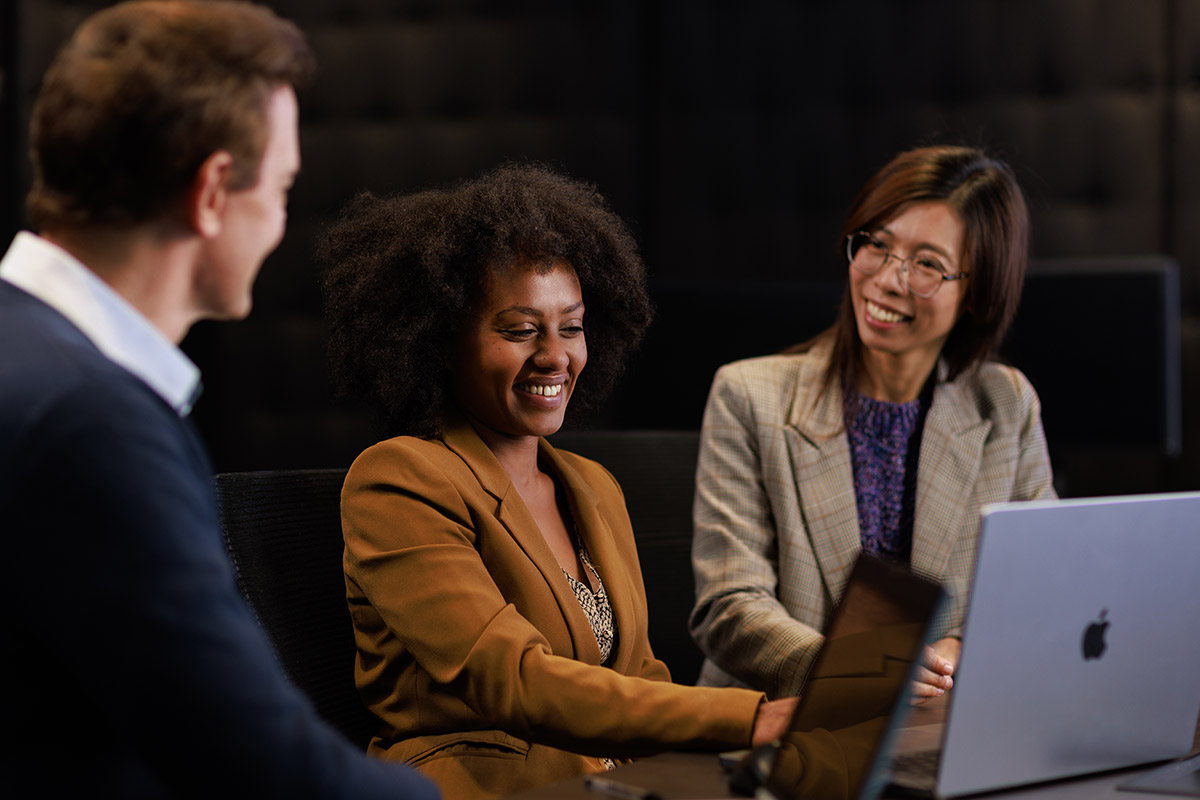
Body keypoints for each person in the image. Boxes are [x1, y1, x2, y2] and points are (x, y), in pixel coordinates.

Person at [0, 3, 438, 797]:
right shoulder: (91, 421)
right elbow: (255, 762)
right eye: (282, 187)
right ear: (210, 195)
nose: (280, 220)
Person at [320, 164, 799, 800]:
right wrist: (747, 717)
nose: (555, 355)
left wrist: (749, 755)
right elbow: (512, 677)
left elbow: (642, 677)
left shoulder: (593, 486)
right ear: (439, 342)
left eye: (570, 327)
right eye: (519, 330)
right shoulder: (399, 479)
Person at [689, 145, 1056, 702]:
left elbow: (1043, 588)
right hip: (785, 725)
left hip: (943, 723)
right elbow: (729, 604)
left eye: (927, 264)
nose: (887, 279)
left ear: (977, 293)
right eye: (876, 246)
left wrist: (957, 653)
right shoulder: (748, 396)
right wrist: (863, 671)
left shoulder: (1005, 405)